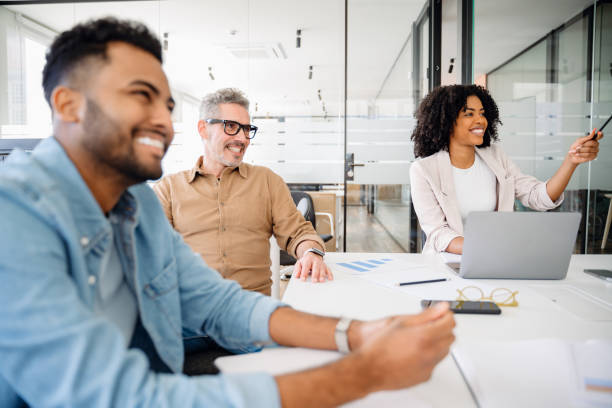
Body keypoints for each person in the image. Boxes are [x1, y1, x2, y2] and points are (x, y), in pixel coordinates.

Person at [0, 18, 455, 408]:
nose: (162, 120)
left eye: (167, 105)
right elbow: (123, 399)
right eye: (141, 96)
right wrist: (366, 373)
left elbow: (218, 302)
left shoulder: (134, 204)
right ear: (68, 104)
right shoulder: (14, 216)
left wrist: (360, 334)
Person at [154, 88, 331, 295]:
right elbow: (152, 252)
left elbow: (298, 232)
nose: (243, 138)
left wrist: (311, 253)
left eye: (247, 129)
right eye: (231, 127)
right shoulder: (169, 189)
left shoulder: (267, 181)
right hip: (193, 308)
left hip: (252, 307)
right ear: (203, 129)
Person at [410, 84, 603, 255]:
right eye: (469, 114)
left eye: (482, 113)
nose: (480, 120)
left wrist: (571, 161)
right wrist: (488, 247)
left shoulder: (495, 156)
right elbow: (438, 233)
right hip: (449, 264)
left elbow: (537, 196)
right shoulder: (423, 170)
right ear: (445, 121)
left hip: (497, 259)